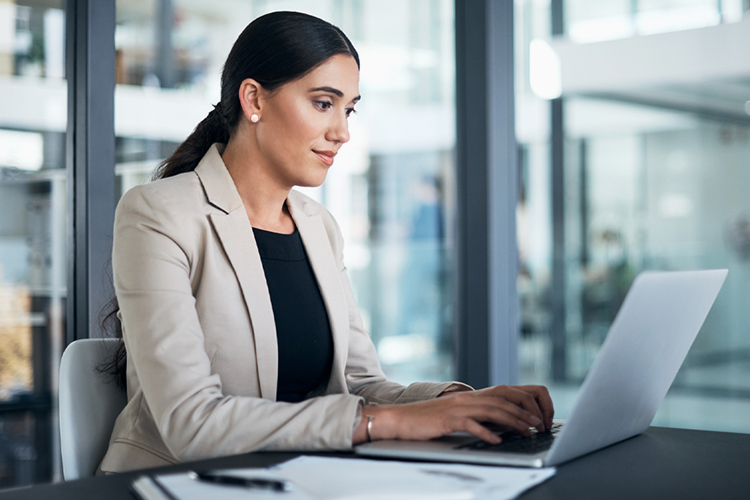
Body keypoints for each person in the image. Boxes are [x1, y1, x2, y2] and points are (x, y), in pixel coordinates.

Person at [97, 11, 554, 475]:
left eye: (348, 108)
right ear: (253, 98)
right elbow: (191, 423)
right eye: (323, 103)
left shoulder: (319, 226)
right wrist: (385, 422)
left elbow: (358, 383)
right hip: (172, 481)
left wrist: (457, 401)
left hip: (295, 476)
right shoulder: (157, 213)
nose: (342, 131)